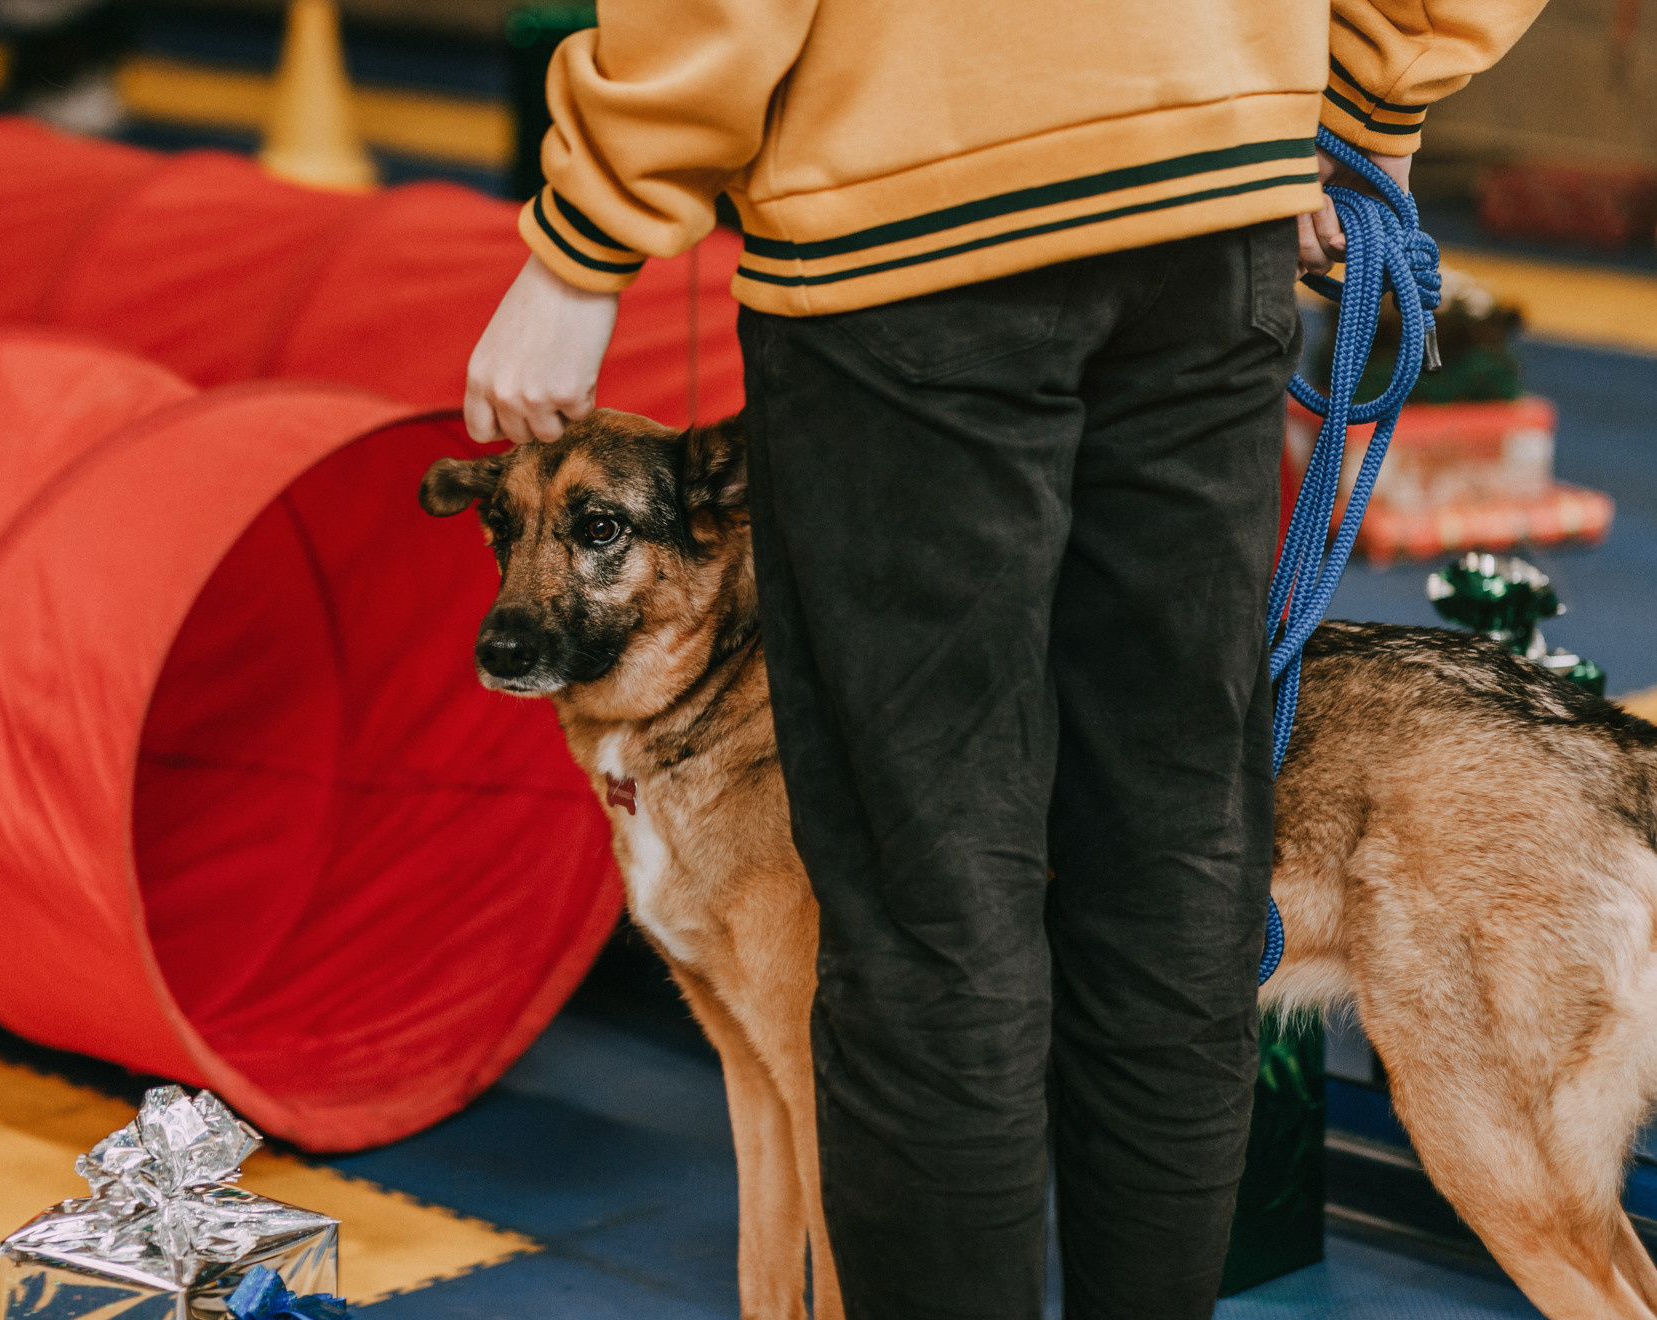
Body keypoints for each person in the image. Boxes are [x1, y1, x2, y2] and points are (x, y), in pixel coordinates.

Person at [464, 3, 1547, 1316]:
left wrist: (589, 234)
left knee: (934, 922)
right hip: (1207, 199)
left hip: (903, 231)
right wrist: (1376, 78)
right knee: (1166, 894)